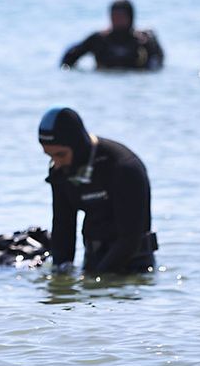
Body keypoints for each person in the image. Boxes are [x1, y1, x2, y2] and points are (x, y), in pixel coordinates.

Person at [38, 106, 157, 274]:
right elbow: (63, 225)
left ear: (77, 144)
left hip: (134, 267)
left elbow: (131, 237)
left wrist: (96, 278)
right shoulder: (61, 170)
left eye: (60, 155)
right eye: (50, 156)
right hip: (93, 259)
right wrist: (60, 272)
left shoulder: (123, 167)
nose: (56, 163)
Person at [61, 0, 164, 71]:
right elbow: (69, 58)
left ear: (130, 17)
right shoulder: (99, 39)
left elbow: (158, 63)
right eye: (114, 16)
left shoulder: (143, 41)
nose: (116, 20)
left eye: (121, 16)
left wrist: (151, 45)